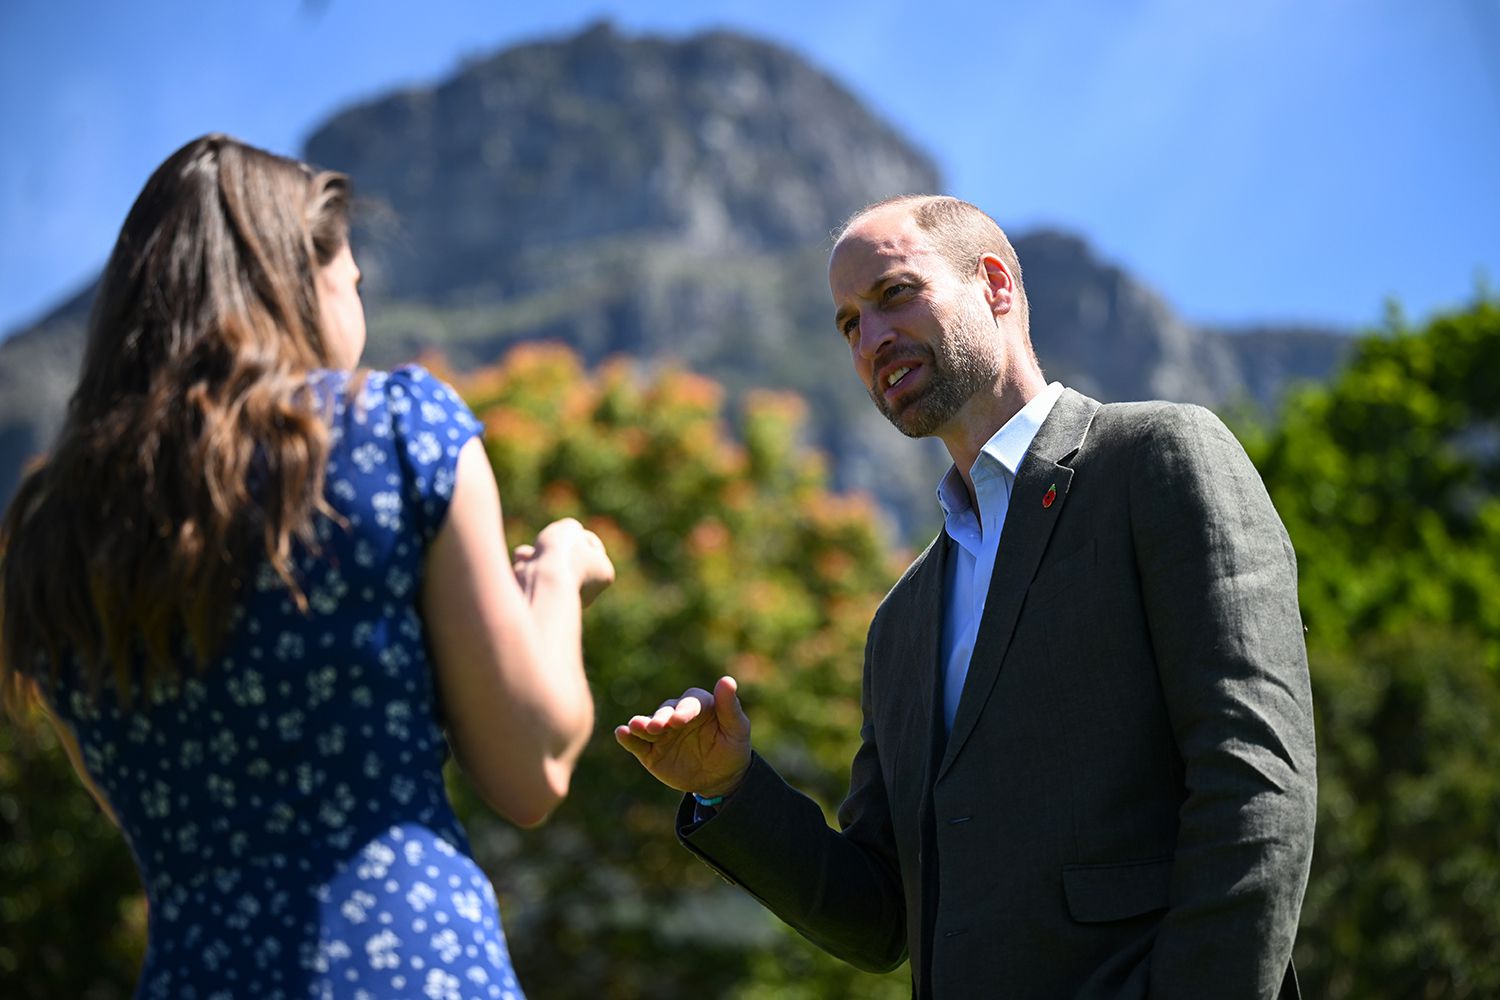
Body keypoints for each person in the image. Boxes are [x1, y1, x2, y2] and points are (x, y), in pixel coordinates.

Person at [616, 195, 1317, 998]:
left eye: (893, 295)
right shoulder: (900, 622)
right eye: (849, 323)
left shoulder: (1159, 459)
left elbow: (1256, 781)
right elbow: (883, 918)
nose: (871, 338)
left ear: (994, 285)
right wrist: (732, 788)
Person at [0, 134, 614, 999]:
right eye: (352, 282)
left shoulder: (49, 536)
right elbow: (533, 765)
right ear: (302, 282)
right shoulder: (394, 428)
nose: (358, 308)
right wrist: (555, 573)